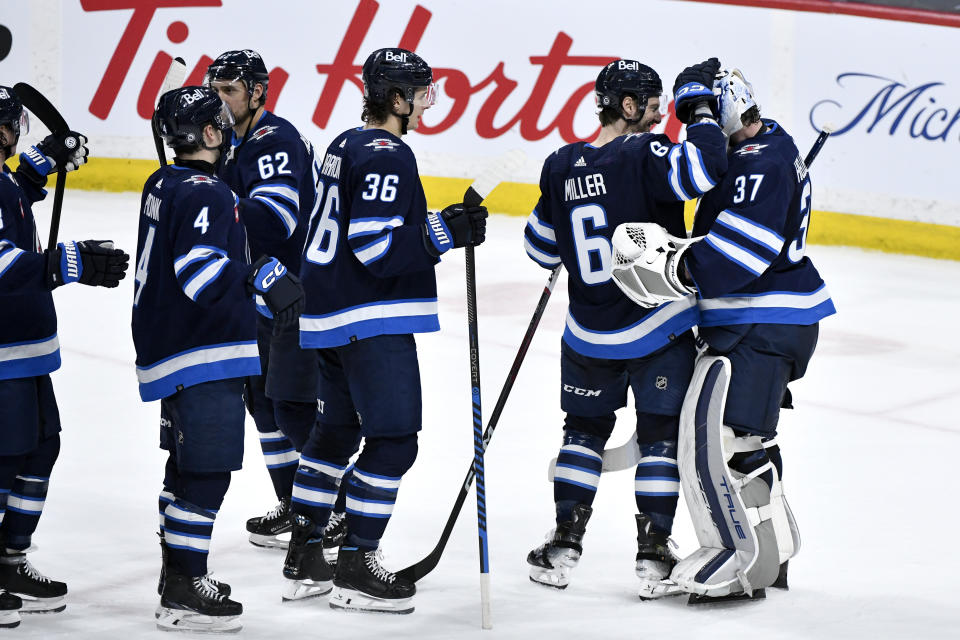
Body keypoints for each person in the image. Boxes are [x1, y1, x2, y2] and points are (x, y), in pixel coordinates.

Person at [609, 68, 835, 602]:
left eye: (705, 113)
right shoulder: (767, 144)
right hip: (764, 318)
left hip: (763, 319)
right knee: (737, 442)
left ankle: (742, 560)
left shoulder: (759, 162)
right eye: (690, 116)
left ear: (730, 108)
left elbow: (741, 254)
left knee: (725, 442)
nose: (695, 126)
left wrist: (674, 265)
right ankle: (770, 552)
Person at [282, 47, 488, 614]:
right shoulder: (386, 153)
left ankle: (304, 555)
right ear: (395, 99)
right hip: (369, 319)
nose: (428, 102)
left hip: (328, 316)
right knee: (394, 441)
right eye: (421, 93)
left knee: (334, 437)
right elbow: (374, 247)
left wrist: (437, 226)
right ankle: (355, 563)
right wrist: (446, 232)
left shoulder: (344, 142)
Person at [521, 58, 727, 598]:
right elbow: (705, 169)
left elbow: (539, 247)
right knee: (659, 437)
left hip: (587, 333)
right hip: (657, 326)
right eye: (656, 107)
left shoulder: (560, 163)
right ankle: (654, 553)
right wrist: (701, 109)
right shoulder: (644, 152)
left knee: (582, 433)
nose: (662, 119)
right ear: (630, 107)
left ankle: (565, 543)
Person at [135, 85, 304, 632]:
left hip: (169, 345)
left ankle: (175, 571)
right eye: (221, 123)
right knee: (206, 474)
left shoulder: (162, 182)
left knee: (183, 468)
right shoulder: (208, 191)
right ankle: (184, 590)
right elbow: (202, 274)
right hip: (203, 352)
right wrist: (262, 275)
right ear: (209, 133)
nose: (231, 130)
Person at [0, 85, 127, 623]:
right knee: (5, 458)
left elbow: (14, 190)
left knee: (39, 447)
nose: (12, 138)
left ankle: (9, 558)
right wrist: (58, 264)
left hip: (24, 345)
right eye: (11, 129)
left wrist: (44, 160)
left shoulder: (3, 176)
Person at [204, 49, 336, 552]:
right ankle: (297, 503)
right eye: (214, 91)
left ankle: (335, 508)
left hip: (296, 296)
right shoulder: (236, 142)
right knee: (264, 407)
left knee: (294, 410)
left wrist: (207, 194)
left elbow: (276, 220)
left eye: (229, 92)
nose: (219, 102)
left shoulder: (272, 140)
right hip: (263, 294)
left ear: (257, 92)